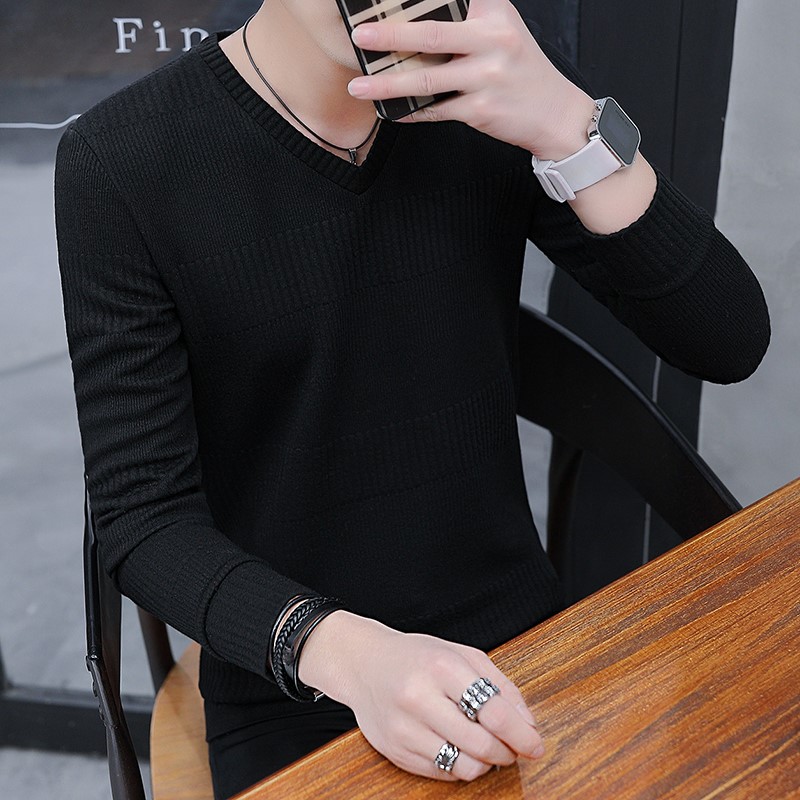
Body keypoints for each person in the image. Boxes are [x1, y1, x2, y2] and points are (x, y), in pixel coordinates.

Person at [54, 2, 770, 798]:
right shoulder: (122, 159)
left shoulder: (478, 92)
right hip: (295, 677)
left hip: (521, 643)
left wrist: (568, 124)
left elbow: (728, 339)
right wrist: (349, 655)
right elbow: (143, 519)